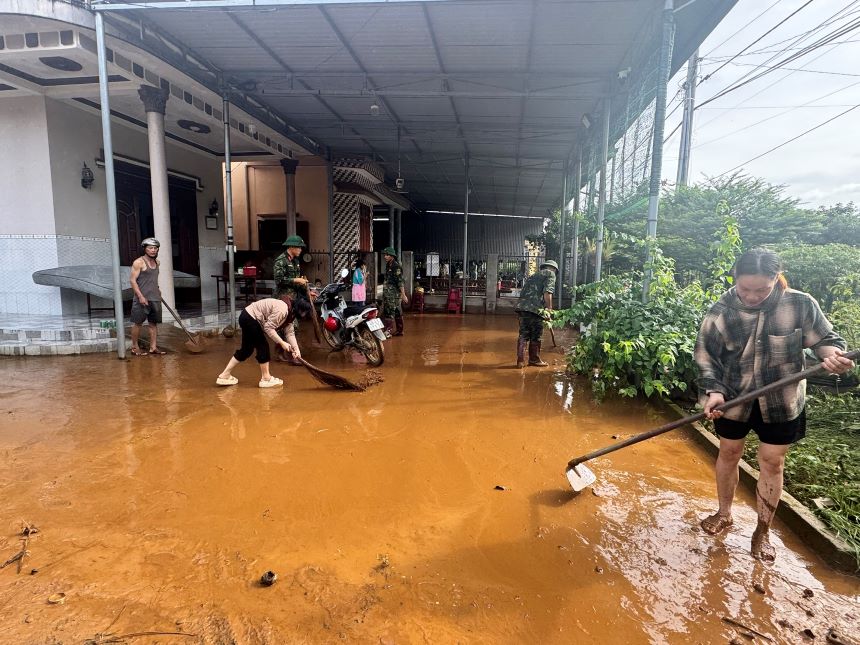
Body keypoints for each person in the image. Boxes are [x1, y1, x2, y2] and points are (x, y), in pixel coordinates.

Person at [694, 248, 854, 562]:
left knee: (772, 462)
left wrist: (831, 355)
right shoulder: (722, 310)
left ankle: (762, 530)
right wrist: (713, 391)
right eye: (745, 289)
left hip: (782, 401)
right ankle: (724, 513)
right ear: (735, 280)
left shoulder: (800, 303)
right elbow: (705, 356)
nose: (752, 296)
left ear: (775, 280)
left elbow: (826, 340)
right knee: (728, 452)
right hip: (733, 397)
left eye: (761, 289)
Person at [216, 295, 313, 388]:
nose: (304, 315)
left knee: (246, 350)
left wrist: (297, 350)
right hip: (250, 318)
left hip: (246, 316)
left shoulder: (290, 314)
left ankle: (225, 375)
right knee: (263, 346)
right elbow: (268, 328)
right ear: (300, 309)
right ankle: (266, 378)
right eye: (304, 313)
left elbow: (290, 333)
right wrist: (282, 343)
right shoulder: (282, 309)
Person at [273, 235, 309, 363]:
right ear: (292, 247)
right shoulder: (281, 261)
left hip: (293, 299)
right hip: (282, 299)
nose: (300, 250)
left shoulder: (295, 261)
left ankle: (285, 352)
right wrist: (295, 280)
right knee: (291, 326)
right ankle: (288, 354)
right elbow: (279, 281)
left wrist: (307, 292)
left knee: (288, 327)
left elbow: (297, 283)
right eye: (299, 247)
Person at [514, 260, 558, 368]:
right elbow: (547, 292)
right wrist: (549, 308)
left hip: (522, 308)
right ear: (554, 269)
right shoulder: (550, 274)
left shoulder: (534, 275)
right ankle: (534, 359)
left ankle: (520, 361)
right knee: (536, 335)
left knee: (523, 334)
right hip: (536, 309)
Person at [129, 237, 166, 356]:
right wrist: (140, 296)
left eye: (155, 248)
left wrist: (158, 291)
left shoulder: (157, 262)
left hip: (154, 298)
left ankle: (153, 347)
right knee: (138, 323)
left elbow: (153, 280)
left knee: (153, 324)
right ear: (145, 249)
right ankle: (135, 347)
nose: (153, 250)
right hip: (142, 298)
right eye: (150, 248)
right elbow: (133, 281)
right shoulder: (138, 262)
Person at [381, 246, 408, 336]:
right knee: (397, 311)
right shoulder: (389, 265)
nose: (385, 256)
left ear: (392, 256)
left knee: (389, 312)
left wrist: (403, 295)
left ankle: (388, 331)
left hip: (393, 295)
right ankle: (400, 331)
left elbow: (400, 282)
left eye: (387, 255)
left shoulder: (396, 267)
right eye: (385, 254)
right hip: (389, 294)